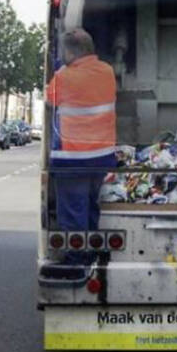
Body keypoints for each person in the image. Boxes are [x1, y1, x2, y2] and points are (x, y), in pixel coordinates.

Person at [46, 28, 116, 264]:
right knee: (90, 207)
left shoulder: (64, 77)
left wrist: (61, 68)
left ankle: (78, 258)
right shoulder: (107, 72)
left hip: (73, 159)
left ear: (72, 52)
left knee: (74, 212)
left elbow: (50, 99)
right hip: (101, 159)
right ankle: (91, 252)